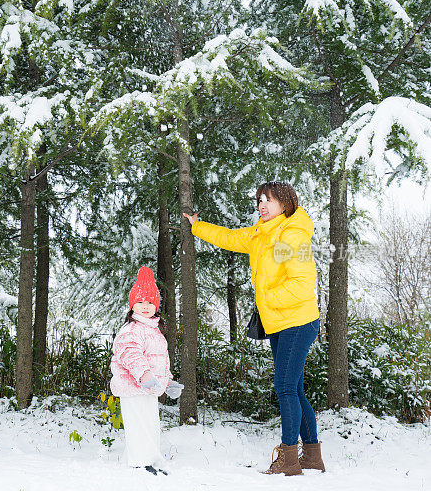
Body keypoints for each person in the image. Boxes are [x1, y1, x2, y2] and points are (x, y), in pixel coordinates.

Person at [183, 182, 325, 476]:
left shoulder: (291, 235)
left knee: (286, 388)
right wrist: (198, 226)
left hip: (297, 322)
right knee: (294, 389)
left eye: (269, 200)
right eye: (260, 200)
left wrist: (266, 301)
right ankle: (312, 456)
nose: (262, 205)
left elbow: (302, 285)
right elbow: (230, 237)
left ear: (285, 203)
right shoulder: (261, 233)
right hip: (280, 322)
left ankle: (289, 460)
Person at [110, 266, 184, 475]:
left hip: (148, 388)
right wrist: (144, 374)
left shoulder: (154, 331)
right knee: (139, 425)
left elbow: (159, 361)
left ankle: (150, 461)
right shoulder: (132, 329)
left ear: (156, 306)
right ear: (133, 304)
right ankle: (139, 463)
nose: (145, 306)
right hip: (133, 387)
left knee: (150, 426)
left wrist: (167, 382)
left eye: (150, 302)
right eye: (140, 302)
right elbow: (129, 354)